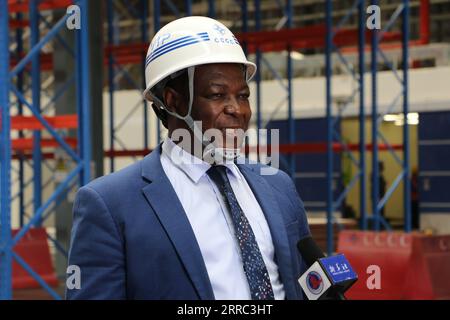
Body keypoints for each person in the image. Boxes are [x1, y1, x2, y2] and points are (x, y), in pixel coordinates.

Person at [66, 16, 311, 300]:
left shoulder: (278, 186)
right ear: (173, 101)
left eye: (243, 96)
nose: (238, 110)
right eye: (218, 95)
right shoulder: (110, 205)